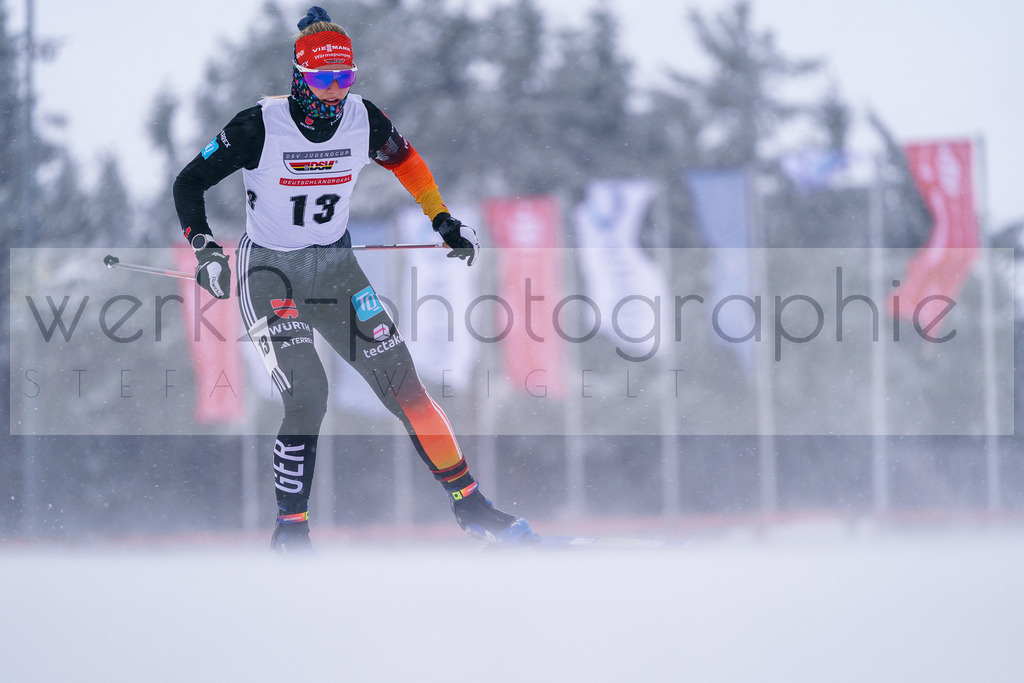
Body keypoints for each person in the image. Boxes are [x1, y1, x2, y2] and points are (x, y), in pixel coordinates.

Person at [173, 5, 538, 552]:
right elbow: (189, 182)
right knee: (309, 393)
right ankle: (289, 530)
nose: (335, 92)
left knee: (405, 388)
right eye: (323, 79)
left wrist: (441, 219)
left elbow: (408, 162)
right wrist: (204, 247)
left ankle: (472, 506)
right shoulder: (257, 125)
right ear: (300, 77)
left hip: (337, 271)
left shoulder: (364, 119)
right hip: (271, 273)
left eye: (345, 79)